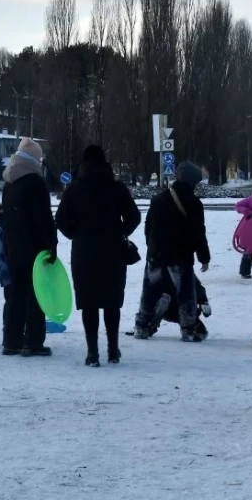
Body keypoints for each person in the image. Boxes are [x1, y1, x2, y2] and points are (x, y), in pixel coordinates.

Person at [56, 145, 141, 367]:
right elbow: (134, 216)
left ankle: (92, 352)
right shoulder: (117, 188)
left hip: (84, 252)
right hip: (113, 251)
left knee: (89, 302)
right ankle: (113, 349)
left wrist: (77, 234)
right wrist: (120, 231)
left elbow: (61, 221)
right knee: (112, 302)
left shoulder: (73, 189)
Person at [135, 161, 210, 342]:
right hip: (180, 255)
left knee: (150, 291)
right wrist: (204, 258)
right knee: (185, 293)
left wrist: (152, 247)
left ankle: (142, 326)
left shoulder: (158, 199)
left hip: (156, 253)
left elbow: (148, 227)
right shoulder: (193, 203)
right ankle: (188, 330)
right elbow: (198, 233)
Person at [0, 138, 57, 357]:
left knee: (16, 293)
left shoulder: (9, 182)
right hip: (34, 247)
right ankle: (33, 342)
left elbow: (5, 218)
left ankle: (11, 341)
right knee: (36, 295)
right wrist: (51, 246)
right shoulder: (35, 182)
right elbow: (43, 218)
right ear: (34, 159)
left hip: (13, 247)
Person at [130, 276, 211, 341]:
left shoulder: (183, 271)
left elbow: (197, 286)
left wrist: (203, 301)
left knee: (201, 334)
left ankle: (190, 330)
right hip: (164, 307)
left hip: (182, 310)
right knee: (164, 299)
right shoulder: (158, 273)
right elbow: (149, 294)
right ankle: (149, 326)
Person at [0, 203, 12, 337]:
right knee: (13, 300)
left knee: (10, 300)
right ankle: (11, 330)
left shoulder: (4, 227)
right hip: (11, 270)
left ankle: (9, 330)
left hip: (6, 271)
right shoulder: (8, 228)